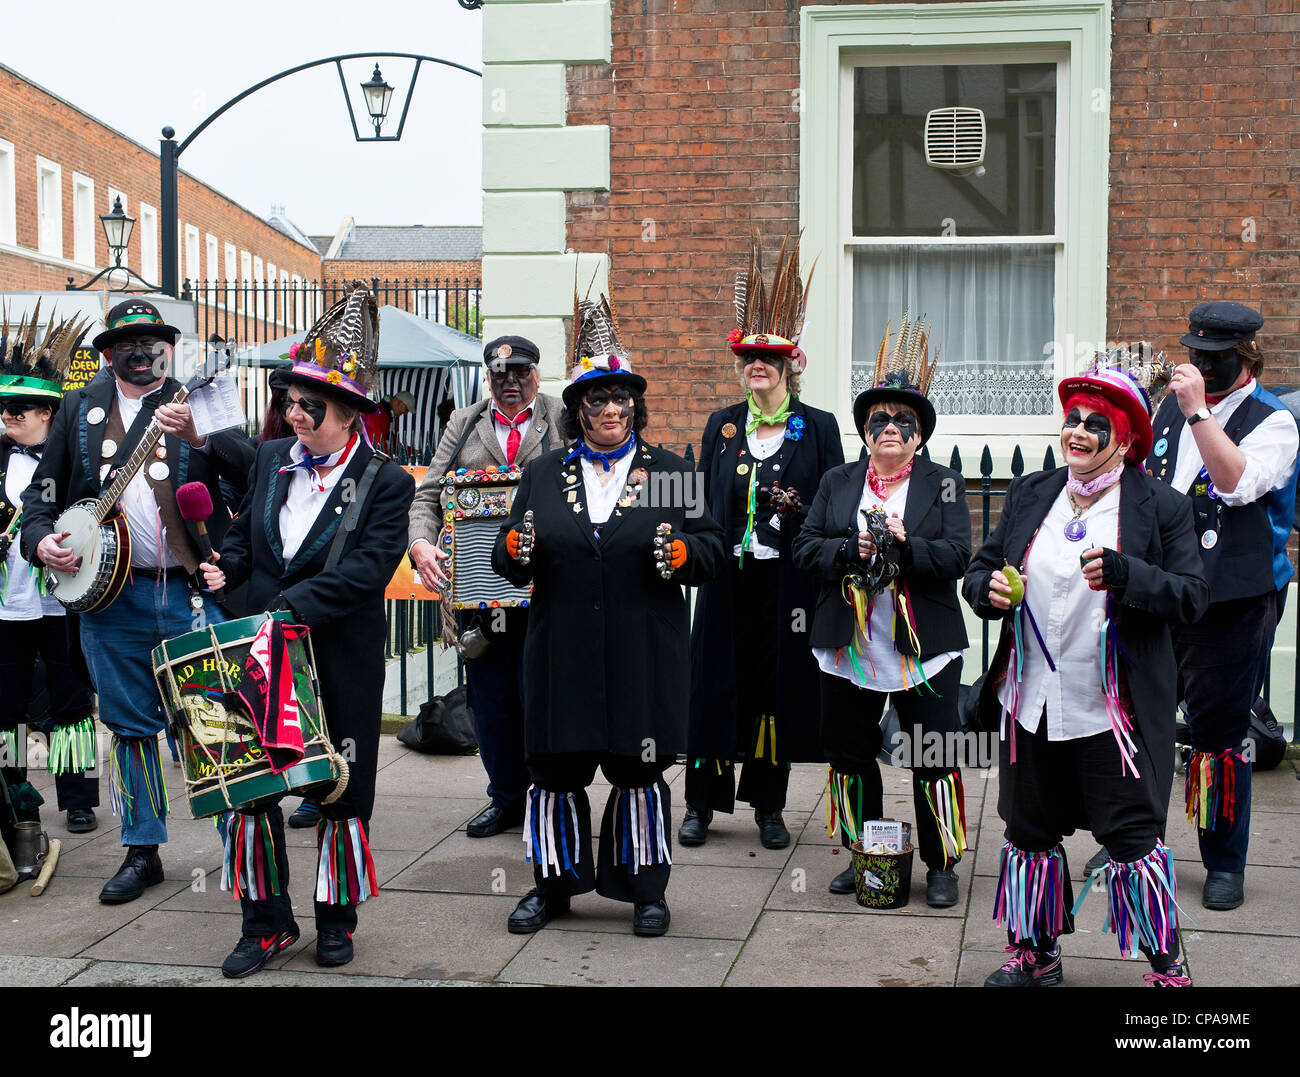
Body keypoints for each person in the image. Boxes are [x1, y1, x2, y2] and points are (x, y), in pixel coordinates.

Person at [963, 361, 1209, 987]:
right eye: (1071, 418)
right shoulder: (1030, 493)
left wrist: (1127, 575)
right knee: (1029, 830)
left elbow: (1191, 595)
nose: (1075, 431)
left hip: (1113, 709)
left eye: (1093, 423)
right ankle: (1036, 957)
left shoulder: (1162, 507)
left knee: (1131, 838)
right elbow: (980, 567)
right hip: (1032, 700)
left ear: (1124, 439)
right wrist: (986, 588)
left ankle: (1167, 969)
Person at [491, 289, 723, 937]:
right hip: (561, 648)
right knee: (555, 771)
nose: (611, 408)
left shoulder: (672, 472)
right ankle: (553, 887)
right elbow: (511, 556)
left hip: (641, 649)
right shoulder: (542, 475)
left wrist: (682, 552)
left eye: (621, 397)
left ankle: (646, 890)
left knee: (638, 769)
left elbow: (714, 553)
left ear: (635, 405)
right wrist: (512, 547)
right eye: (597, 399)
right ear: (578, 410)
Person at [199, 286, 414, 976]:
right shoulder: (268, 459)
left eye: (308, 405)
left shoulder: (384, 483)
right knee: (252, 788)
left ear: (348, 412)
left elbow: (367, 571)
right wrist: (222, 569)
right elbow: (244, 538)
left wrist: (284, 608)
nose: (293, 414)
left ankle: (335, 920)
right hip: (258, 652)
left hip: (337, 654)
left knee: (339, 793)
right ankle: (264, 924)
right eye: (289, 400)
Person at [22, 299, 254, 904]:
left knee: (214, 722)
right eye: (127, 341)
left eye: (152, 339)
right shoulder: (77, 407)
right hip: (110, 600)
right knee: (129, 728)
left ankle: (239, 845)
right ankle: (142, 849)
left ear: (168, 348)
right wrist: (41, 539)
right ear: (107, 353)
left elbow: (259, 471)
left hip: (189, 592)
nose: (141, 349)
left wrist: (201, 436)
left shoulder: (201, 397)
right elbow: (42, 493)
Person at [793, 317, 972, 908]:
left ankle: (940, 862)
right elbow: (805, 548)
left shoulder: (943, 485)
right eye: (878, 421)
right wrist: (853, 548)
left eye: (903, 421)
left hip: (924, 647)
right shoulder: (837, 483)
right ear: (865, 432)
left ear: (918, 436)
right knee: (848, 754)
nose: (889, 427)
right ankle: (864, 853)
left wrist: (905, 547)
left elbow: (956, 557)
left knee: (933, 753)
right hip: (851, 643)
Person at [685, 236, 843, 849]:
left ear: (790, 367)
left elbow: (835, 504)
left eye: (770, 359)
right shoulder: (722, 424)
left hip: (788, 585)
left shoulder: (819, 427)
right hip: (728, 577)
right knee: (713, 687)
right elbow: (700, 501)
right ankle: (701, 803)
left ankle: (768, 805)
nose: (759, 366)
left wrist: (802, 511)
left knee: (774, 691)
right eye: (750, 357)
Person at [1141, 302, 1299, 912]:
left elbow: (1234, 484)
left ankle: (1223, 863)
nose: (1198, 365)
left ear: (1245, 358)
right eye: (1194, 355)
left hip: (1231, 599)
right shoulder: (1168, 410)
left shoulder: (1275, 422)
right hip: (1159, 589)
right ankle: (1138, 843)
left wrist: (1199, 412)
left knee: (1217, 737)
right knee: (1142, 724)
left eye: (1212, 359)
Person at [408, 336, 564, 839]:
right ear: (488, 377)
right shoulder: (466, 421)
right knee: (492, 699)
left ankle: (551, 796)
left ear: (536, 375)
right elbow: (429, 493)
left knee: (543, 695)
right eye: (500, 374)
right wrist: (421, 544)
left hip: (549, 587)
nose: (510, 382)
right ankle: (506, 798)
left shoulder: (562, 414)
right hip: (482, 589)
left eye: (520, 372)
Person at [0, 311, 99, 834]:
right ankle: (13, 792)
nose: (7, 419)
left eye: (18, 411)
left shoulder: (70, 466)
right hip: (5, 603)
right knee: (5, 705)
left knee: (71, 698)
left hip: (60, 601)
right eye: (2, 410)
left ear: (49, 415)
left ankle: (78, 797)